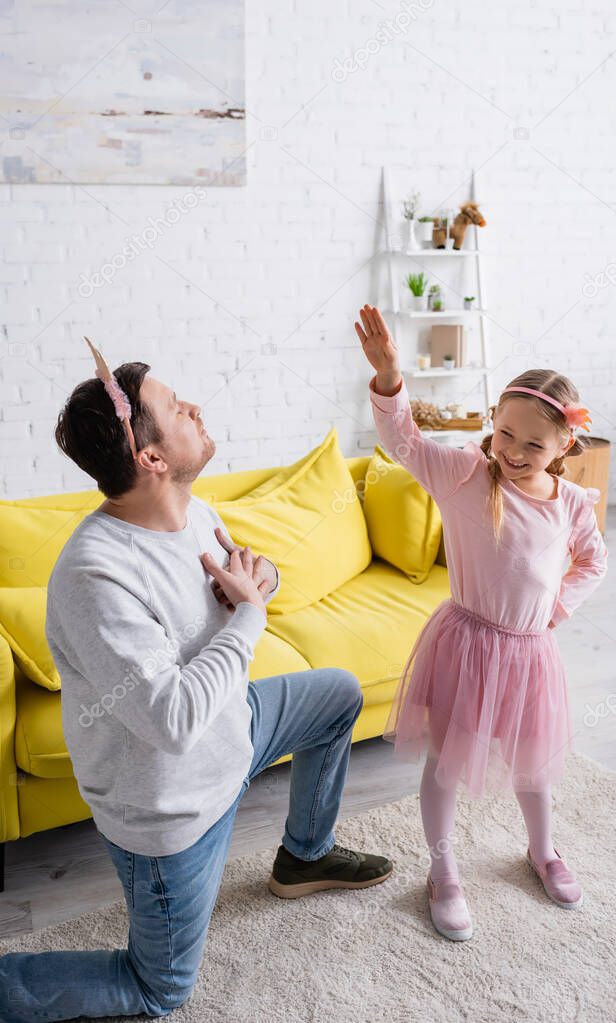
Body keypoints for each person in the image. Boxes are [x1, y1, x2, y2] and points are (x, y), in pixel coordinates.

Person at [0, 342, 392, 1022]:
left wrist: (258, 577)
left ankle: (304, 855)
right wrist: (250, 611)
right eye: (178, 409)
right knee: (158, 990)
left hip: (236, 729)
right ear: (151, 458)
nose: (195, 408)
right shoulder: (96, 577)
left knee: (337, 696)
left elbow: (243, 577)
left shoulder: (194, 510)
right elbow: (173, 721)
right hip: (172, 808)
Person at [354, 304, 608, 942]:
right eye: (508, 435)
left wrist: (555, 608)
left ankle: (542, 851)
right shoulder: (464, 474)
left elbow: (594, 562)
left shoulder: (572, 502)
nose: (517, 452)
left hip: (531, 654)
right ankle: (444, 872)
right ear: (493, 423)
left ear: (563, 448)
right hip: (466, 644)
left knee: (533, 765)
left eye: (535, 444)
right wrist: (390, 377)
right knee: (445, 763)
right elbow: (402, 441)